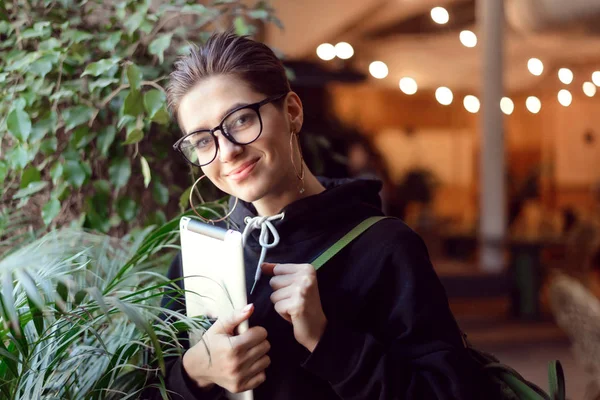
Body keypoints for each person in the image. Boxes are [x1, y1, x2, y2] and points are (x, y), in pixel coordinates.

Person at [145, 31, 490, 399]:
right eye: (202, 140)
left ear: (292, 111)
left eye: (241, 119)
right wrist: (193, 374)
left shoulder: (384, 248)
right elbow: (146, 390)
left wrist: (329, 342)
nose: (226, 151)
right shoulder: (200, 255)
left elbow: (450, 392)